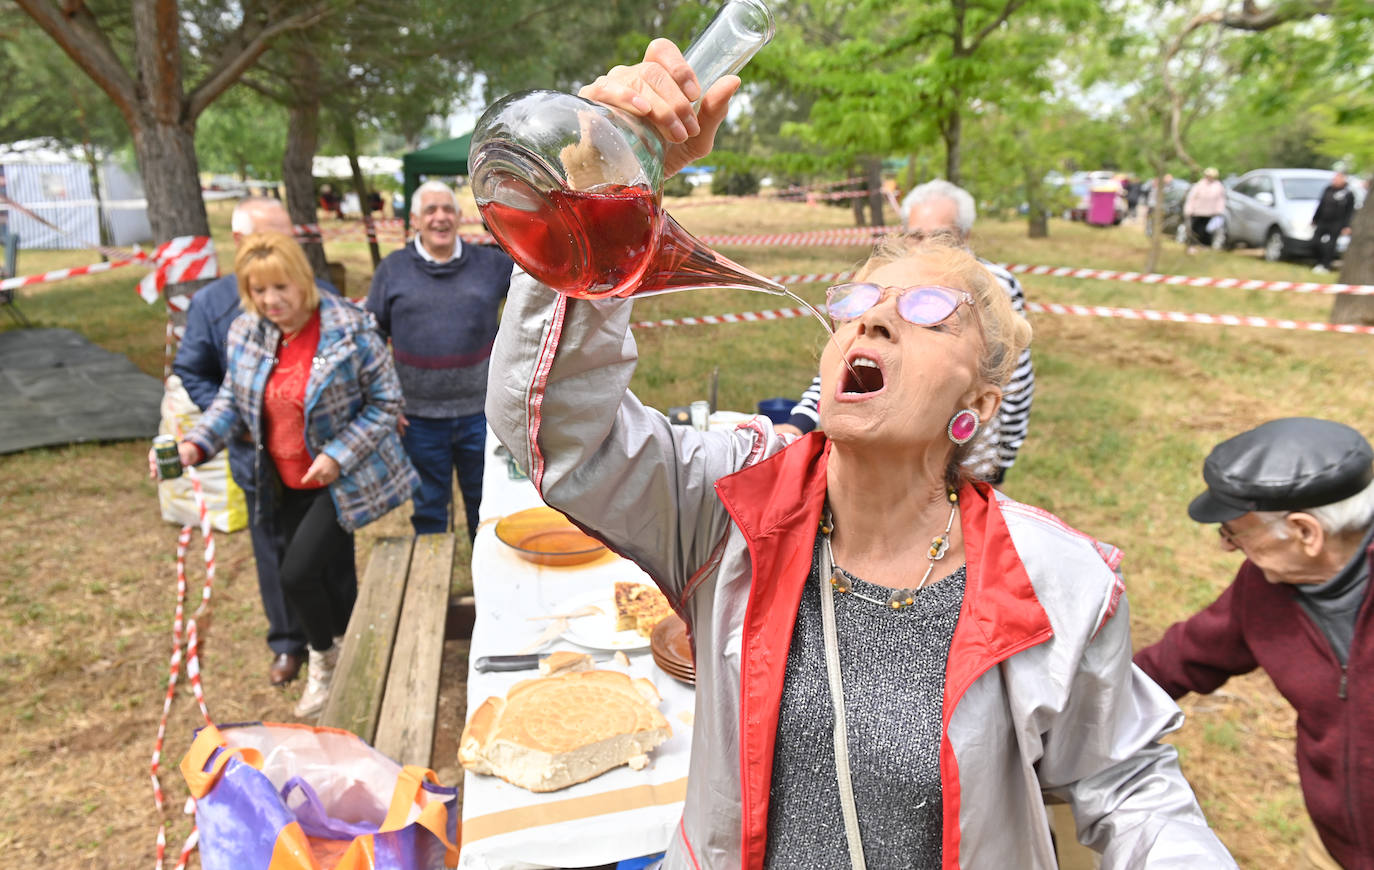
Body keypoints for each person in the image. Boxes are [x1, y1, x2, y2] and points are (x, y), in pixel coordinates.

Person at [486, 38, 1236, 868]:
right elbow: (557, 430)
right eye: (860, 301)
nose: (872, 320)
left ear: (976, 407)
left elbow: (1128, 785)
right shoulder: (728, 501)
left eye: (925, 308)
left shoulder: (1058, 584)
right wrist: (599, 182)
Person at [172, 232, 417, 717]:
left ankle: (323, 661)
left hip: (336, 478)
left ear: (302, 281)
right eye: (259, 291)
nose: (271, 301)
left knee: (297, 573)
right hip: (279, 479)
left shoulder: (349, 329)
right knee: (331, 575)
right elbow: (231, 400)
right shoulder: (248, 331)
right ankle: (350, 654)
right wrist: (197, 442)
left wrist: (339, 455)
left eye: (280, 288)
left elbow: (387, 402)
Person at [1135, 418, 1374, 869]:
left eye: (1236, 532)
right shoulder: (1263, 588)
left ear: (1306, 533)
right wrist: (1075, 710)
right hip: (1334, 847)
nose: (1227, 547)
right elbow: (1176, 661)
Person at [172, 198, 345, 687]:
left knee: (330, 550)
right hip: (257, 460)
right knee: (274, 551)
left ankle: (340, 633)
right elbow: (196, 373)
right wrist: (241, 423)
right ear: (239, 243)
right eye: (270, 237)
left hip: (321, 461)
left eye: (289, 236)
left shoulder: (327, 300)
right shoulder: (213, 307)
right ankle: (289, 643)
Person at [777, 179, 1035, 485]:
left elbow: (1014, 376)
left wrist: (1005, 457)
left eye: (941, 237)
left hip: (966, 457)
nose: (926, 246)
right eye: (915, 235)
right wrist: (799, 422)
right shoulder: (884, 282)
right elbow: (848, 361)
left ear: (965, 236)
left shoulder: (994, 286)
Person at [366, 181, 513, 540]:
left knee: (488, 507)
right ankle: (428, 590)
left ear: (460, 217)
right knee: (430, 509)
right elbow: (370, 341)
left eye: (448, 209)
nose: (440, 217)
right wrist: (382, 400)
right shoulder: (392, 270)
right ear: (414, 220)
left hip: (481, 413)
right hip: (417, 419)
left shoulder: (491, 264)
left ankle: (489, 588)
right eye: (430, 210)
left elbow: (540, 293)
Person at [1312, 172, 1357, 274]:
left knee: (1330, 245)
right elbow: (1321, 204)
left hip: (1337, 223)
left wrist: (1347, 226)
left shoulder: (1348, 193)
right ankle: (1319, 262)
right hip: (1323, 221)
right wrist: (1315, 218)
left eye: (1338, 178)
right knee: (1315, 241)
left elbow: (1350, 211)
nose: (1335, 180)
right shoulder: (1328, 189)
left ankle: (1326, 265)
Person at [1183, 167, 1227, 254]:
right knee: (1194, 229)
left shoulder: (1218, 186)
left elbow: (1220, 199)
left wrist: (1219, 210)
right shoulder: (1199, 185)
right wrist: (1189, 209)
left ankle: (1205, 245)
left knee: (1206, 230)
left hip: (1210, 212)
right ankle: (1192, 245)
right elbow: (1192, 198)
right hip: (1197, 211)